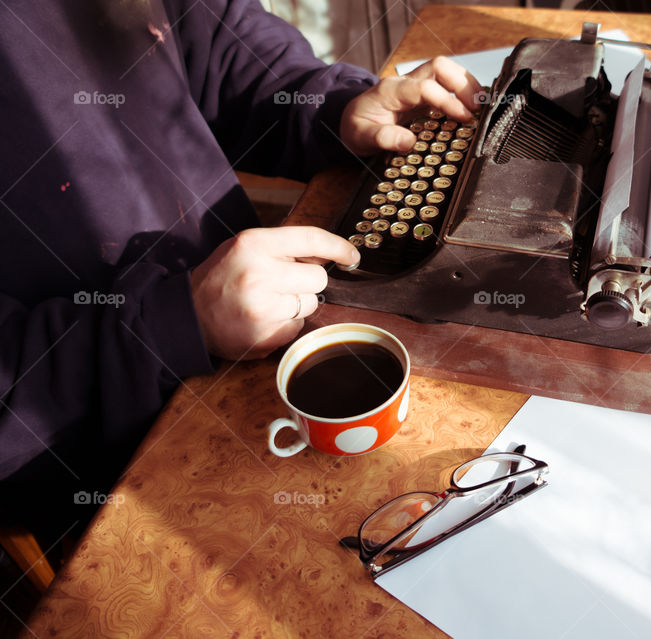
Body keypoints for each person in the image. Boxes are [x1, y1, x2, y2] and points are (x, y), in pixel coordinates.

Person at [0, 0, 481, 539]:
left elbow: (214, 40)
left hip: (263, 322)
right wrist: (171, 326)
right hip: (104, 471)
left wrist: (329, 105)